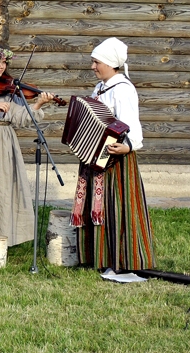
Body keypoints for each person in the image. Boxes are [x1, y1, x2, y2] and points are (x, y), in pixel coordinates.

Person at [71, 37, 155, 271]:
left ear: (109, 63)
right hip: (95, 156)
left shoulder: (123, 90)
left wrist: (128, 146)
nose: (92, 66)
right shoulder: (100, 87)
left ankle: (122, 259)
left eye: (96, 62)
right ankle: (97, 257)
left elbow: (132, 126)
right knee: (95, 204)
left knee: (115, 207)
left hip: (115, 159)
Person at [0, 43, 54, 246]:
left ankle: (3, 237)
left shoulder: (9, 86)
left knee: (4, 190)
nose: (1, 65)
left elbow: (20, 116)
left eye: (4, 61)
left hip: (5, 141)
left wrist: (38, 105)